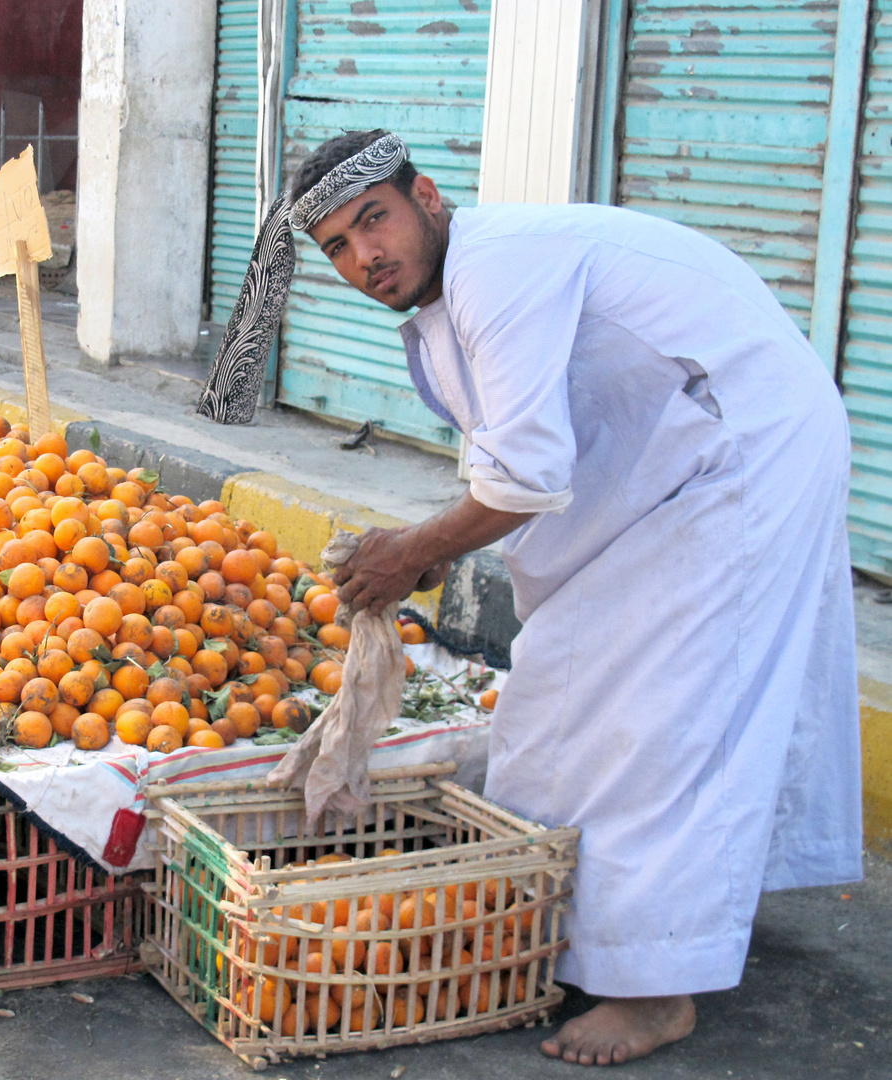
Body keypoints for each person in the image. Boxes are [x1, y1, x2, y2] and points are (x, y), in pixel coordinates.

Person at [198, 130, 863, 1066]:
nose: (364, 258)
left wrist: (415, 551)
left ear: (426, 196)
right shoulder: (446, 300)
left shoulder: (496, 269)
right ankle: (594, 928)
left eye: (374, 222)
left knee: (666, 710)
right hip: (666, 470)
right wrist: (421, 554)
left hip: (743, 455)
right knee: (561, 684)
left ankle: (657, 989)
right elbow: (515, 448)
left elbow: (522, 476)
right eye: (338, 248)